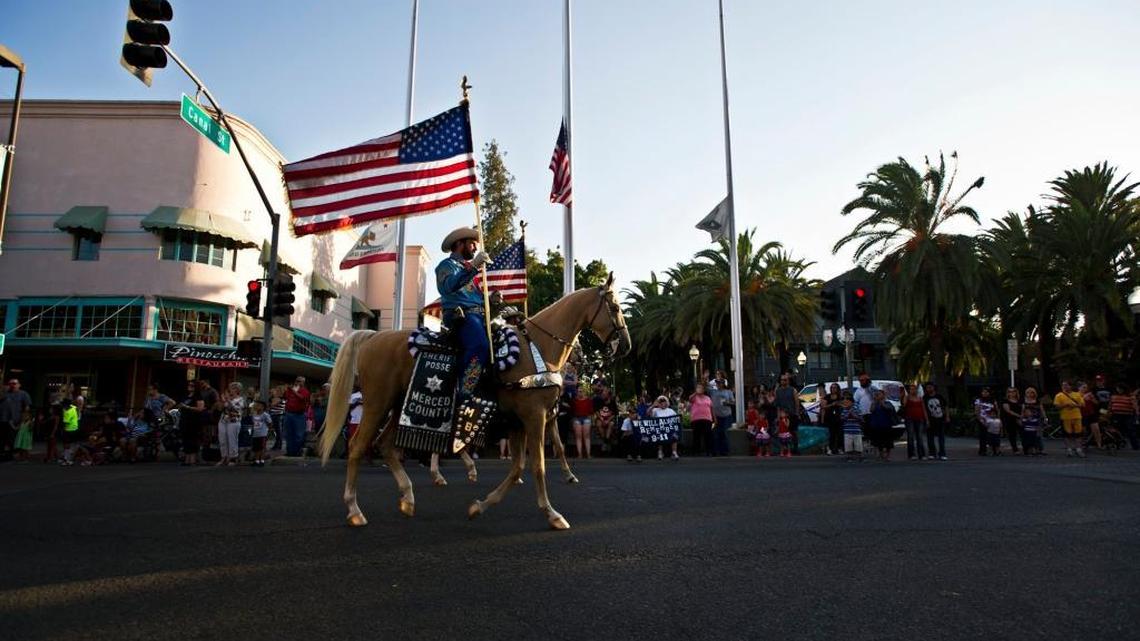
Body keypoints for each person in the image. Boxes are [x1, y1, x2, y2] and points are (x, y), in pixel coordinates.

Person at [436, 226, 493, 409]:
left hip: (478, 316)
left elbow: (475, 297)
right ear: (460, 244)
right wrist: (474, 267)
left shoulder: (470, 269)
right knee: (480, 345)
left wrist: (492, 300)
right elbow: (448, 287)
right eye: (472, 244)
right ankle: (465, 393)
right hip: (460, 316)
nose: (475, 248)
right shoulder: (446, 266)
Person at [0, 378, 34, 460]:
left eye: (14, 383)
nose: (12, 385)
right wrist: (3, 391)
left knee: (11, 438)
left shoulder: (23, 394)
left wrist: (25, 420)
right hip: (2, 419)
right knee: (2, 437)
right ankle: (3, 452)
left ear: (19, 385)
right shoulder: (5, 394)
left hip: (15, 419)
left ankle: (10, 454)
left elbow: (27, 407)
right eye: (10, 383)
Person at [1053, 381, 1085, 458]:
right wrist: (1065, 405)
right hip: (1065, 417)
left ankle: (1078, 449)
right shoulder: (1059, 395)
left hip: (1077, 416)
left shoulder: (1077, 394)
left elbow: (1082, 404)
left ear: (1070, 386)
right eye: (1063, 385)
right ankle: (1069, 449)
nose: (1064, 387)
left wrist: (1074, 405)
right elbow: (1056, 406)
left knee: (1078, 434)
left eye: (1066, 385)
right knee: (1067, 434)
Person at [217, 382, 245, 466]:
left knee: (232, 440)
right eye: (230, 388)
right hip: (223, 420)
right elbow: (220, 408)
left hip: (233, 421)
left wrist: (228, 400)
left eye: (233, 388)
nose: (230, 390)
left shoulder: (240, 399)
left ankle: (233, 458)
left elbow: (235, 409)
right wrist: (222, 401)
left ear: (237, 390)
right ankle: (223, 457)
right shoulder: (227, 398)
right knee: (222, 440)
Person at [178, 380, 204, 466]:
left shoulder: (198, 397)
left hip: (194, 421)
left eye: (192, 385)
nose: (190, 386)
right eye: (189, 385)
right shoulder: (185, 396)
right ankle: (187, 459)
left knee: (192, 439)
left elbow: (200, 408)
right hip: (184, 420)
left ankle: (192, 459)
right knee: (185, 439)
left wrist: (187, 407)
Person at [283, 376, 311, 457]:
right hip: (289, 413)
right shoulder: (290, 390)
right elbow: (285, 397)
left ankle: (296, 452)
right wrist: (285, 390)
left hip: (299, 415)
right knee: (289, 434)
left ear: (303, 383)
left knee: (299, 434)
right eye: (296, 381)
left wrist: (294, 391)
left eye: (300, 381)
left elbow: (302, 398)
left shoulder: (305, 391)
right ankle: (290, 452)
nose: (298, 382)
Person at [901, 383, 928, 460]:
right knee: (911, 436)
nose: (913, 390)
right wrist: (905, 396)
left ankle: (921, 454)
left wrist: (926, 419)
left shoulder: (920, 398)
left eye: (915, 389)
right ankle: (911, 454)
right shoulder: (907, 397)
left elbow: (924, 409)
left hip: (920, 418)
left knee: (920, 437)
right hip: (910, 419)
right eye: (911, 389)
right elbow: (904, 404)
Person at [868, 389, 897, 461]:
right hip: (877, 425)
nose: (877, 395)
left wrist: (881, 402)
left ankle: (888, 455)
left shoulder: (888, 403)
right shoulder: (874, 403)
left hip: (886, 425)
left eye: (879, 394)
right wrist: (875, 402)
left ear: (883, 395)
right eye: (876, 394)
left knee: (888, 442)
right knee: (878, 441)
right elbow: (871, 410)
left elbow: (888, 409)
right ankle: (880, 454)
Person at [1109, 383, 1139, 451]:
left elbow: (1135, 406)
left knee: (1130, 429)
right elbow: (1110, 405)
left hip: (1128, 415)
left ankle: (1135, 446)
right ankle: (1117, 444)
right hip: (1116, 415)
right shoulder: (1113, 396)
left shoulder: (1130, 396)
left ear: (1124, 389)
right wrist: (1108, 412)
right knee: (1116, 430)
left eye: (1120, 389)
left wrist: (1137, 413)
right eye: (1118, 388)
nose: (1119, 390)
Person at [923, 382, 949, 460]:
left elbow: (946, 406)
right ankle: (932, 453)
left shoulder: (939, 396)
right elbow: (924, 409)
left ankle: (942, 453)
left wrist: (947, 416)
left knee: (941, 437)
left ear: (934, 387)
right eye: (927, 387)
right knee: (930, 437)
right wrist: (927, 420)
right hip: (931, 419)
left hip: (940, 418)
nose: (929, 389)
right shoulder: (925, 398)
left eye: (930, 387)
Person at [650, 395, 680, 461]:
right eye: (661, 402)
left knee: (674, 434)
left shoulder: (671, 411)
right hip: (660, 429)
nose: (663, 403)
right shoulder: (655, 410)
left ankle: (674, 452)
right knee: (659, 434)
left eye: (664, 401)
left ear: (667, 402)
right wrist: (653, 406)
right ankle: (660, 452)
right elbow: (648, 414)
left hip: (670, 429)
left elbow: (676, 419)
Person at [711, 376, 735, 456]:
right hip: (715, 416)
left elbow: (733, 402)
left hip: (726, 416)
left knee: (724, 433)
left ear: (723, 384)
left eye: (720, 383)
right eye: (717, 383)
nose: (718, 384)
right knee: (715, 433)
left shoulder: (728, 392)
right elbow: (705, 387)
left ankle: (724, 451)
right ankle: (715, 451)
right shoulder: (713, 392)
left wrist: (727, 403)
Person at [688, 383, 714, 456]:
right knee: (696, 436)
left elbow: (711, 408)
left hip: (707, 418)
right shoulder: (694, 397)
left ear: (704, 389)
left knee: (707, 435)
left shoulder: (708, 398)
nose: (700, 389)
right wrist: (696, 393)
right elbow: (690, 399)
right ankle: (696, 451)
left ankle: (708, 451)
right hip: (696, 419)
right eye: (698, 387)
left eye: (701, 388)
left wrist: (714, 418)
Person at [973, 387, 999, 456]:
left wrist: (997, 419)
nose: (984, 393)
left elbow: (996, 410)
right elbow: (977, 411)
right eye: (983, 392)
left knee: (992, 435)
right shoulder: (978, 400)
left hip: (992, 420)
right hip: (982, 420)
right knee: (983, 436)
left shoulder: (993, 400)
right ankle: (982, 450)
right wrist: (980, 419)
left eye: (986, 392)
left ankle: (994, 450)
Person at [840, 392, 865, 462]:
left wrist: (855, 416)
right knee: (848, 445)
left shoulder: (856, 408)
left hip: (856, 430)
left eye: (847, 402)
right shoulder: (844, 410)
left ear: (851, 402)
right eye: (845, 402)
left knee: (858, 444)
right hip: (847, 430)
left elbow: (861, 418)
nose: (846, 404)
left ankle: (859, 457)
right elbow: (842, 418)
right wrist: (848, 414)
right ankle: (849, 457)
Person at [1020, 387, 1045, 456]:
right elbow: (1022, 411)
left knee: (1038, 435)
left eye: (1032, 392)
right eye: (1028, 392)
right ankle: (1030, 449)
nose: (1030, 394)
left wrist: (1045, 418)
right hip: (1028, 420)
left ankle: (1039, 449)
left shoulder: (1037, 401)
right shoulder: (1024, 402)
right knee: (1029, 435)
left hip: (1037, 419)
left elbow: (1042, 410)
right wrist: (1021, 419)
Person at [820, 383, 843, 456]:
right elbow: (823, 407)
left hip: (838, 417)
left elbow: (844, 404)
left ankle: (839, 448)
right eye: (832, 388)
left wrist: (839, 404)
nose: (833, 389)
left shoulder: (840, 397)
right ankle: (830, 448)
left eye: (835, 388)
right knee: (831, 434)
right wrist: (832, 404)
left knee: (839, 434)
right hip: (829, 417)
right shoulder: (827, 397)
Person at [1078, 382, 1102, 451]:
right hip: (1082, 414)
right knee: (1083, 431)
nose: (1085, 389)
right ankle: (1082, 444)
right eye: (1084, 387)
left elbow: (1097, 403)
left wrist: (1092, 398)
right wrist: (1083, 398)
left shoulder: (1090, 394)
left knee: (1096, 429)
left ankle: (1099, 445)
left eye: (1086, 387)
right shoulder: (1077, 394)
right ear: (1079, 388)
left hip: (1091, 414)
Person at [571, 387, 594, 459]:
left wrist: (591, 419)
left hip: (586, 417)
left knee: (586, 436)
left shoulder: (588, 400)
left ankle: (588, 454)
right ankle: (580, 454)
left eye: (581, 391)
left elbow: (591, 411)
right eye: (578, 391)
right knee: (578, 436)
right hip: (577, 418)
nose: (580, 393)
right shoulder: (574, 400)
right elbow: (572, 411)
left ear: (584, 392)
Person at [999, 388, 1022, 455]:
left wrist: (1021, 417)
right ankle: (1015, 449)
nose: (1012, 393)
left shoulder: (1020, 400)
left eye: (1013, 392)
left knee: (1023, 434)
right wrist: (1018, 416)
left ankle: (1027, 448)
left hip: (1020, 419)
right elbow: (1008, 410)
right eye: (1010, 392)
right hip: (1009, 419)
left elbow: (1023, 408)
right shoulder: (1005, 401)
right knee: (1012, 435)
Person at [249, 400, 271, 467]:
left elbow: (270, 423)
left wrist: (268, 431)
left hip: (262, 434)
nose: (256, 407)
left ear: (263, 407)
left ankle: (262, 460)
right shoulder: (254, 415)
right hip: (256, 433)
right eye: (256, 405)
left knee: (262, 448)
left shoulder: (265, 415)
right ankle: (256, 460)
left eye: (258, 405)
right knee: (256, 448)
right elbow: (253, 424)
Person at [59, 398, 80, 465]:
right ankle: (67, 458)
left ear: (65, 405)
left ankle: (67, 459)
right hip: (75, 428)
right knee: (70, 445)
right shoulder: (74, 408)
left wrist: (62, 430)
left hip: (69, 429)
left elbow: (65, 422)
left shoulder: (67, 412)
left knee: (66, 445)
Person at [269, 386, 286, 450]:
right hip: (275, 415)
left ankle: (278, 445)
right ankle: (277, 445)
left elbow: (272, 405)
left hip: (278, 416)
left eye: (276, 390)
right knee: (277, 431)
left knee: (278, 431)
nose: (275, 392)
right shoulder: (276, 398)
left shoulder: (280, 398)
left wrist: (272, 397)